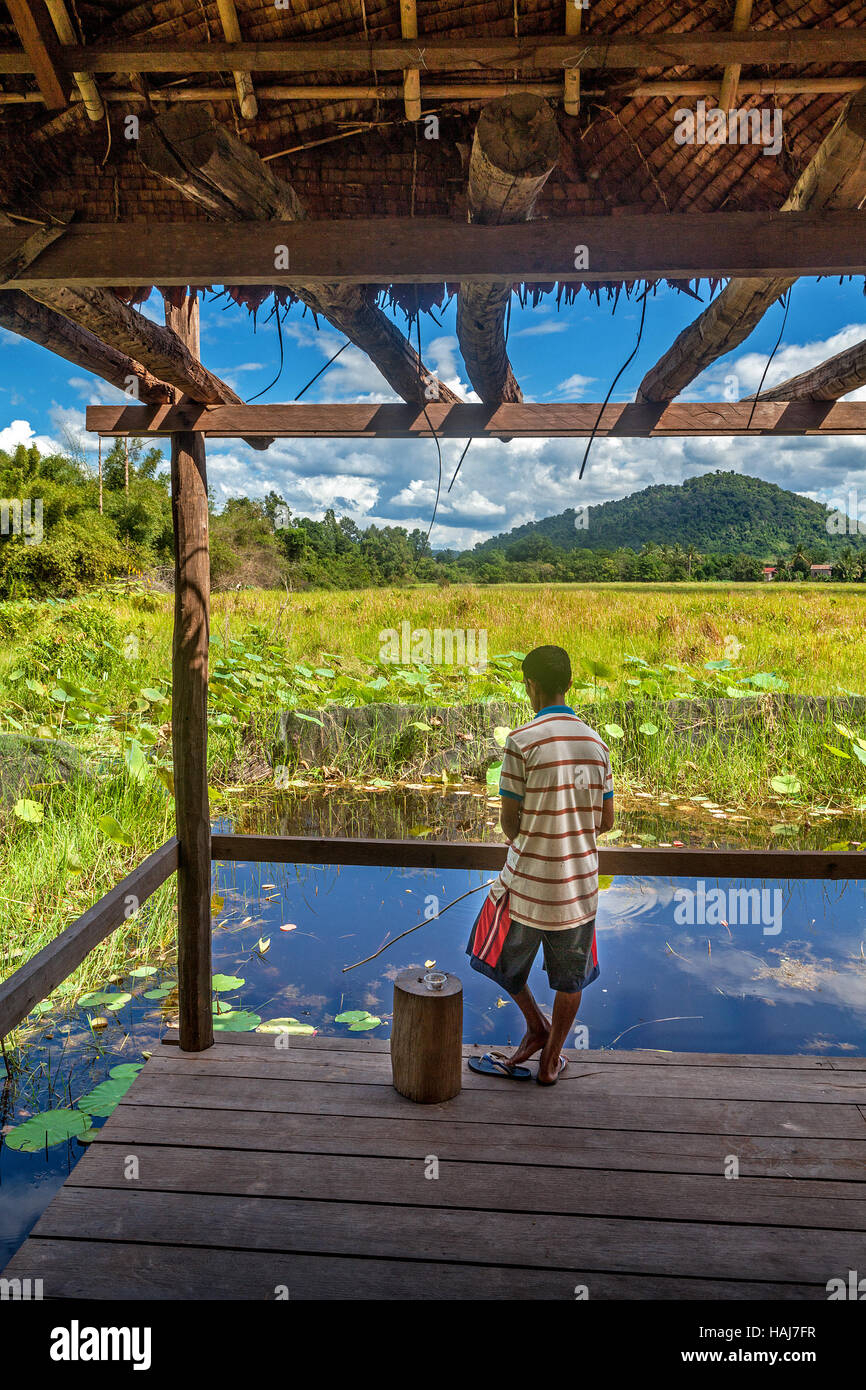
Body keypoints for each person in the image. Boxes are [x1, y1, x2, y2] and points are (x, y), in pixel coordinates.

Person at [466, 645, 614, 1085]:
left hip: (526, 886)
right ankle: (550, 1059)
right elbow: (605, 821)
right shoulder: (597, 744)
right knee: (570, 979)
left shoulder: (521, 742)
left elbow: (509, 824)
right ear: (569, 684)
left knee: (493, 958)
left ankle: (535, 1025)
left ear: (530, 685)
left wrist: (534, 838)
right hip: (578, 889)